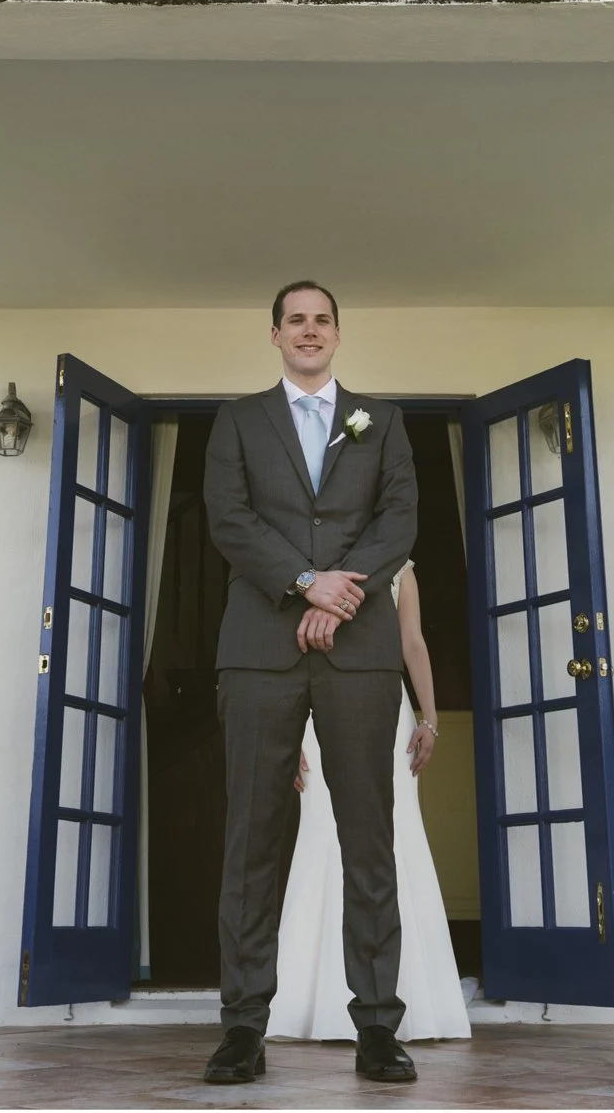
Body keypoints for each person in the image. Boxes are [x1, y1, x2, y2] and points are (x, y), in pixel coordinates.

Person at [200, 281, 420, 1086]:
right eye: (295, 319)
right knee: (253, 838)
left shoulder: (384, 421)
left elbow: (399, 517)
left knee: (369, 836)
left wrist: (341, 588)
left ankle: (376, 1029)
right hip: (259, 650)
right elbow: (227, 516)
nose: (309, 330)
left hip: (359, 650)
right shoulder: (236, 420)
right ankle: (242, 1028)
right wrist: (302, 581)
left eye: (322, 319)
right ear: (274, 334)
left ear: (338, 333)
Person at [268, 559, 471, 1044]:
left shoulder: (399, 566)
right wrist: (287, 728)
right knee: (322, 837)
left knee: (393, 838)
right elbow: (288, 645)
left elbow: (413, 643)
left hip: (387, 709)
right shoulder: (304, 559)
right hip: (314, 708)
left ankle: (405, 999)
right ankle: (309, 1000)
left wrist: (430, 719)